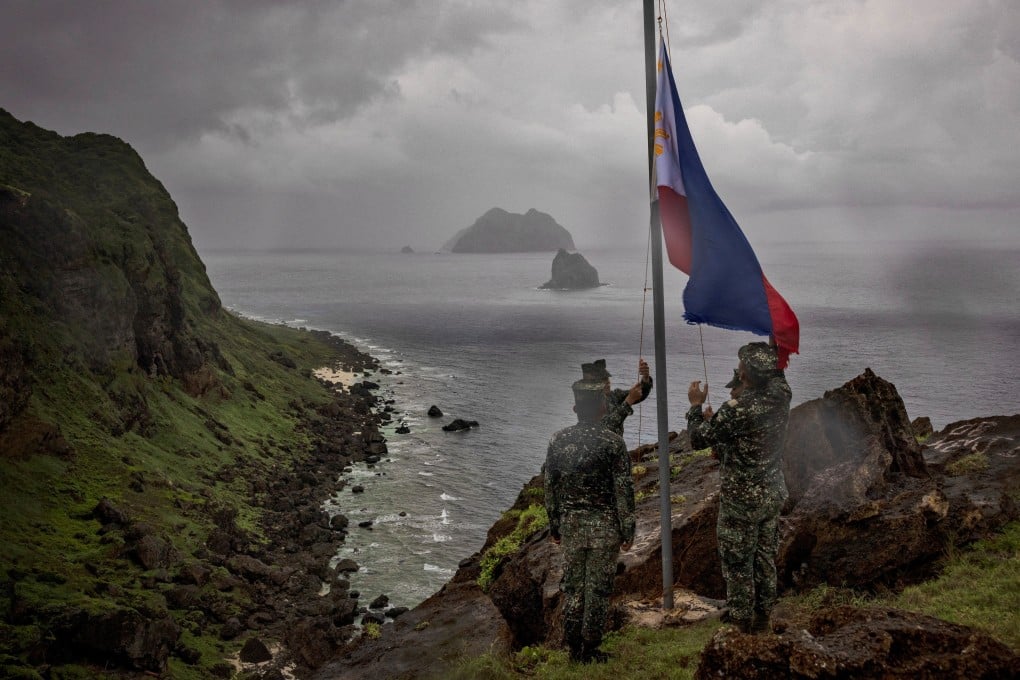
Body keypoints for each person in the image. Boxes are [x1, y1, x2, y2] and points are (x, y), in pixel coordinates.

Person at [686, 342, 791, 634]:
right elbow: (777, 375)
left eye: (741, 365)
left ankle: (741, 623)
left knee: (737, 562)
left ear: (745, 376)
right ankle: (762, 620)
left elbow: (697, 440)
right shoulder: (782, 395)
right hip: (771, 493)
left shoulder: (738, 409)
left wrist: (695, 407)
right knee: (764, 559)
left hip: (742, 502)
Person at [545, 377, 636, 662]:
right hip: (605, 528)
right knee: (597, 589)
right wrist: (627, 528)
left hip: (572, 525)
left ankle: (573, 648)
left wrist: (555, 525)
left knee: (573, 586)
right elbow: (623, 489)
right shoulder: (613, 443)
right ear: (601, 409)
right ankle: (590, 648)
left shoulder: (558, 440)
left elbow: (551, 487)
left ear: (575, 408)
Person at [581, 359, 652, 437]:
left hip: (617, 447)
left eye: (607, 379)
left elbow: (640, 394)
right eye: (602, 380)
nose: (607, 382)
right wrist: (629, 401)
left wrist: (645, 377)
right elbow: (605, 426)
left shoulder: (615, 395)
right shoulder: (588, 403)